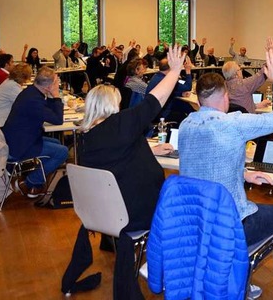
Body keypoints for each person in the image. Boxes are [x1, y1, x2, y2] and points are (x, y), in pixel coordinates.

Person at [178, 37, 273, 299]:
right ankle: (237, 267)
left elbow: (208, 165)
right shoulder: (233, 124)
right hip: (229, 222)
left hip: (194, 219)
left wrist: (243, 173)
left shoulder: (186, 126)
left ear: (198, 99)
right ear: (226, 96)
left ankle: (220, 264)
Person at [64, 46, 184, 299]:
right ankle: (165, 267)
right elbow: (156, 99)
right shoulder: (120, 124)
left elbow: (120, 155)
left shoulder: (86, 138)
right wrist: (174, 71)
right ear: (112, 105)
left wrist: (152, 147)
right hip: (135, 214)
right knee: (181, 196)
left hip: (103, 212)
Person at [1, 66, 68, 197]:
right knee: (63, 152)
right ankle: (29, 182)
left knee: (55, 142)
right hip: (20, 146)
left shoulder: (31, 92)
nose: (57, 84)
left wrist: (50, 96)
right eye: (56, 82)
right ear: (48, 86)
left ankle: (37, 180)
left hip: (19, 138)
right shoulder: (33, 100)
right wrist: (56, 96)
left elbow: (48, 112)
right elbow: (57, 120)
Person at [145, 56, 193, 123]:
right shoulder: (167, 80)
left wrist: (180, 93)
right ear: (171, 67)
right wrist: (188, 70)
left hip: (153, 112)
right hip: (162, 113)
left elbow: (164, 92)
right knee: (187, 112)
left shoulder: (156, 76)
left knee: (186, 106)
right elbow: (188, 87)